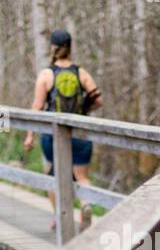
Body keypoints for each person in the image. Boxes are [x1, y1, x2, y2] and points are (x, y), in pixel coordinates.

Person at [23, 29, 102, 227]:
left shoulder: (46, 75)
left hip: (53, 135)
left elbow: (37, 107)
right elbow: (98, 99)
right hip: (80, 133)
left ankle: (59, 215)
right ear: (70, 47)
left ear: (53, 47)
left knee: (53, 175)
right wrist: (85, 108)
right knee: (82, 176)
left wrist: (30, 135)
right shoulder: (81, 73)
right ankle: (85, 204)